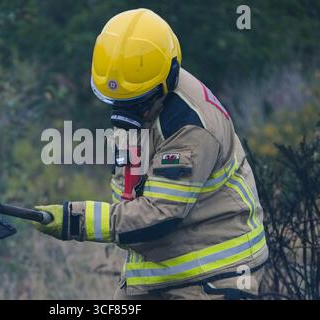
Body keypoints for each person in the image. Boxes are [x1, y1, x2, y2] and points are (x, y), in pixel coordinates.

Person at [32, 8, 268, 300]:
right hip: (158, 272)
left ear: (167, 80)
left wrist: (75, 219)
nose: (127, 112)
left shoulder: (190, 127)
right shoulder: (140, 104)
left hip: (215, 275)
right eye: (117, 102)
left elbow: (159, 215)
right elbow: (129, 197)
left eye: (137, 102)